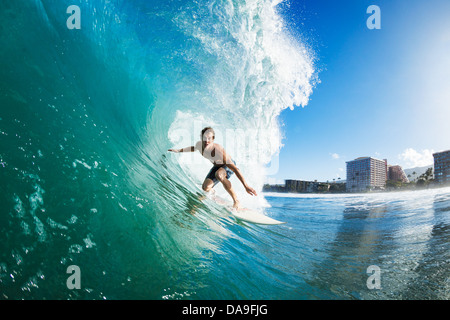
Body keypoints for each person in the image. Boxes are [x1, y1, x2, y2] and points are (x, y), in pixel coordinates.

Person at [168, 127, 257, 209]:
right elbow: (193, 148)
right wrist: (179, 150)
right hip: (217, 166)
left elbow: (235, 169)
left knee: (219, 174)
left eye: (209, 138)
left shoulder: (218, 150)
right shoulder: (199, 145)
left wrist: (246, 186)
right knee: (205, 188)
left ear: (213, 139)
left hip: (227, 166)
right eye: (204, 138)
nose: (207, 141)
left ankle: (236, 200)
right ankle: (212, 192)